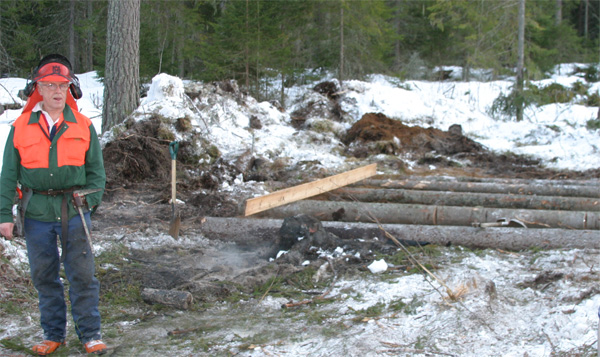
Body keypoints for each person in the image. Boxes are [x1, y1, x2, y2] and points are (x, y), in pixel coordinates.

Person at [0, 54, 107, 355]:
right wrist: (3, 215)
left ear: (69, 88)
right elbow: (8, 175)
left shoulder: (84, 126)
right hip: (35, 214)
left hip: (74, 212)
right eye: (49, 85)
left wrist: (89, 204)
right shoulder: (20, 127)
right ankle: (53, 334)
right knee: (44, 276)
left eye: (62, 85)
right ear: (39, 89)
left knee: (83, 275)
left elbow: (97, 175)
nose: (57, 91)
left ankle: (90, 334)